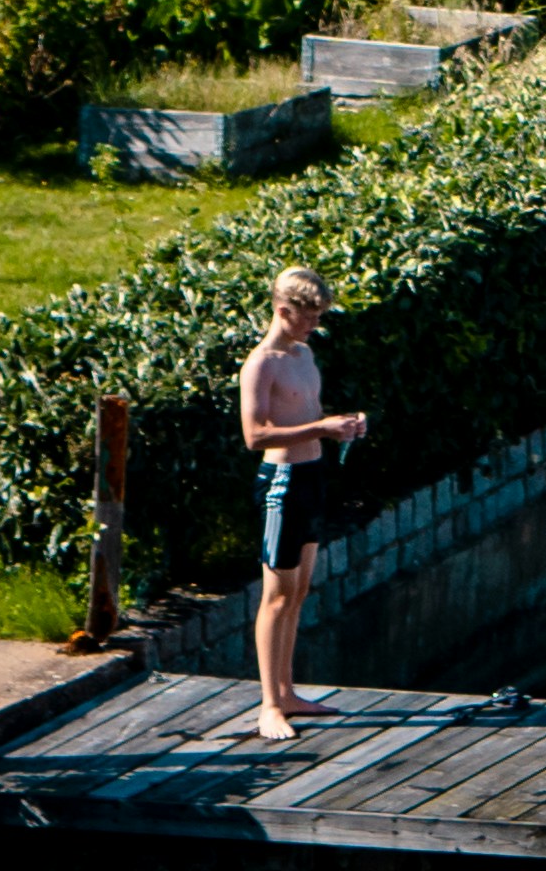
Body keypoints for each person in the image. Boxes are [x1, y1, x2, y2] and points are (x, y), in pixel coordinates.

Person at [239, 270, 369, 743]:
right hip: (282, 481)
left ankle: (287, 690)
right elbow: (255, 436)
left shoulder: (304, 353)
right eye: (308, 317)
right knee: (276, 594)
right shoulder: (261, 364)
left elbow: (308, 416)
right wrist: (321, 430)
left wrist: (342, 427)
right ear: (283, 311)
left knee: (299, 591)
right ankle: (269, 705)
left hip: (313, 476)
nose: (314, 326)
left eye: (318, 318)